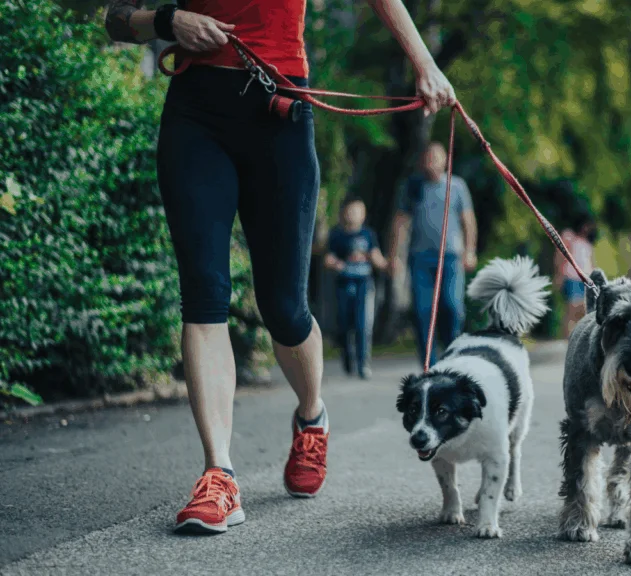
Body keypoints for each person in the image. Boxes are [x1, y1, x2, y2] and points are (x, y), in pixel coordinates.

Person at [104, 0, 456, 534]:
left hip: (280, 113)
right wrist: (167, 22)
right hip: (196, 116)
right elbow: (114, 15)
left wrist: (424, 62)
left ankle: (312, 415)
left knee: (285, 308)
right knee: (204, 294)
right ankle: (218, 474)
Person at [389, 143, 478, 367]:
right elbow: (400, 223)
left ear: (446, 160)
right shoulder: (412, 187)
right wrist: (394, 256)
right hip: (420, 259)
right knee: (421, 312)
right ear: (421, 161)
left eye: (436, 158)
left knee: (452, 307)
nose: (431, 162)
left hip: (450, 258)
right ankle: (430, 365)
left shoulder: (457, 186)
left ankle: (453, 358)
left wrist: (470, 251)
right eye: (427, 158)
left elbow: (468, 221)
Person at [325, 198, 387, 380]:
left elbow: (376, 257)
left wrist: (386, 265)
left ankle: (363, 364)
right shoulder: (336, 235)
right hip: (344, 284)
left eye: (358, 211)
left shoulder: (368, 235)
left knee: (363, 325)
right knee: (344, 325)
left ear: (364, 214)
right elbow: (328, 258)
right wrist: (335, 264)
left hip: (364, 284)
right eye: (350, 211)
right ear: (344, 213)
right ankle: (347, 358)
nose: (354, 215)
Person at [554, 215, 596, 338]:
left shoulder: (587, 243)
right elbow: (560, 256)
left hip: (585, 279)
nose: (587, 228)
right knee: (572, 308)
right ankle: (566, 340)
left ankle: (578, 337)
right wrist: (559, 275)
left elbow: (590, 262)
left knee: (583, 310)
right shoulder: (569, 236)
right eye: (586, 225)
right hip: (572, 277)